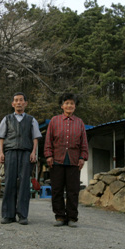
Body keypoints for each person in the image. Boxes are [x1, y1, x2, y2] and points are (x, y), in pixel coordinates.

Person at [0, 92, 41, 225]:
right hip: (10, 153)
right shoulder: (7, 119)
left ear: (26, 103)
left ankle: (22, 215)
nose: (19, 102)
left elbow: (35, 138)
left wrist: (34, 153)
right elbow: (1, 137)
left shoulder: (32, 120)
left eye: (21, 100)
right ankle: (8, 215)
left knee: (24, 184)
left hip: (26, 153)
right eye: (16, 100)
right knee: (9, 182)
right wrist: (1, 153)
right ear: (12, 104)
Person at [44, 93, 88, 227]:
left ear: (75, 107)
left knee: (73, 190)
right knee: (57, 189)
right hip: (56, 159)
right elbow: (48, 140)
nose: (69, 106)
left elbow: (84, 143)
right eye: (67, 103)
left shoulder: (79, 122)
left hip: (74, 161)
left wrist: (82, 157)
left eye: (72, 104)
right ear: (62, 106)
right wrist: (48, 155)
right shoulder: (54, 121)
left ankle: (72, 217)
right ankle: (59, 216)